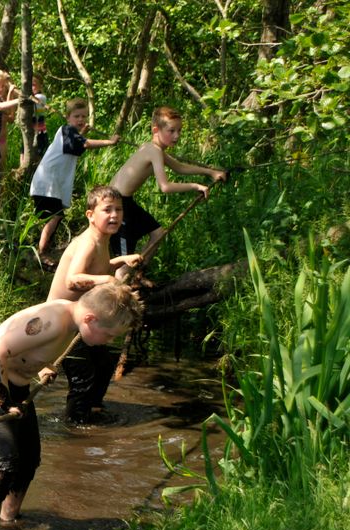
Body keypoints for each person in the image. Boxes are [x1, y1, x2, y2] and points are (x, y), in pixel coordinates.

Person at [0, 281, 143, 530]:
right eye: (109, 334)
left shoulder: (72, 325)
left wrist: (40, 368)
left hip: (16, 386)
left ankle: (9, 520)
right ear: (90, 318)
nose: (109, 341)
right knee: (3, 463)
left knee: (29, 460)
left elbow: (26, 350)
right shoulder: (53, 322)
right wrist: (3, 403)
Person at [47, 185, 142, 425]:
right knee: (83, 376)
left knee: (104, 363)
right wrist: (108, 280)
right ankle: (75, 425)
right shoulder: (88, 242)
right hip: (62, 323)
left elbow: (98, 267)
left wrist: (122, 260)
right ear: (90, 215)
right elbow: (73, 279)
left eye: (118, 210)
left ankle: (94, 410)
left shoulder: (101, 240)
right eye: (107, 210)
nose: (114, 215)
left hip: (79, 320)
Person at [109, 106, 226, 271]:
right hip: (116, 204)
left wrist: (211, 172)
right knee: (123, 263)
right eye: (171, 131)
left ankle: (137, 273)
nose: (176, 135)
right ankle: (121, 280)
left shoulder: (154, 149)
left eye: (179, 130)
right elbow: (165, 187)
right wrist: (195, 186)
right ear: (155, 130)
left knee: (157, 233)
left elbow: (180, 167)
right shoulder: (153, 150)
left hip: (125, 201)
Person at [30, 98, 120, 267]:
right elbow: (85, 144)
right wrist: (109, 142)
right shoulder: (67, 129)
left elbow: (76, 145)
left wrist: (82, 133)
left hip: (50, 184)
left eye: (84, 116)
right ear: (67, 117)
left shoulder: (71, 134)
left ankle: (42, 249)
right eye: (76, 116)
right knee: (55, 216)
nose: (80, 120)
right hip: (46, 183)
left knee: (54, 217)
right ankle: (41, 253)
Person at [30, 75, 50, 158]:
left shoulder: (41, 97)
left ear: (40, 86)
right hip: (32, 130)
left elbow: (29, 100)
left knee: (39, 152)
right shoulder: (33, 97)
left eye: (33, 85)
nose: (31, 88)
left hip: (39, 131)